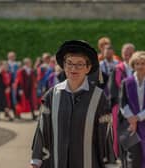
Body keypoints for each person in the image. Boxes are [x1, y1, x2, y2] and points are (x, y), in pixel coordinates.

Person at [30, 40, 111, 168]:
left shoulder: (98, 97)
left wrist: (109, 164)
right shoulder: (52, 95)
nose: (73, 68)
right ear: (63, 65)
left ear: (88, 68)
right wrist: (36, 161)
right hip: (56, 162)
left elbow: (105, 136)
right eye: (69, 63)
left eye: (80, 64)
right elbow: (42, 129)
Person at [118, 51, 145, 168]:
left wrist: (139, 117)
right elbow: (122, 103)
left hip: (143, 121)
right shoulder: (126, 82)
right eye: (137, 63)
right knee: (132, 157)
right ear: (133, 65)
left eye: (143, 63)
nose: (140, 66)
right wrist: (131, 119)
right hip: (129, 125)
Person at [109, 43, 135, 158]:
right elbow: (112, 90)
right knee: (123, 137)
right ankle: (122, 159)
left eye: (130, 53)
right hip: (120, 108)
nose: (128, 56)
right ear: (122, 54)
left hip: (137, 108)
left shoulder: (139, 68)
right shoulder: (117, 69)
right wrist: (122, 105)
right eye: (126, 53)